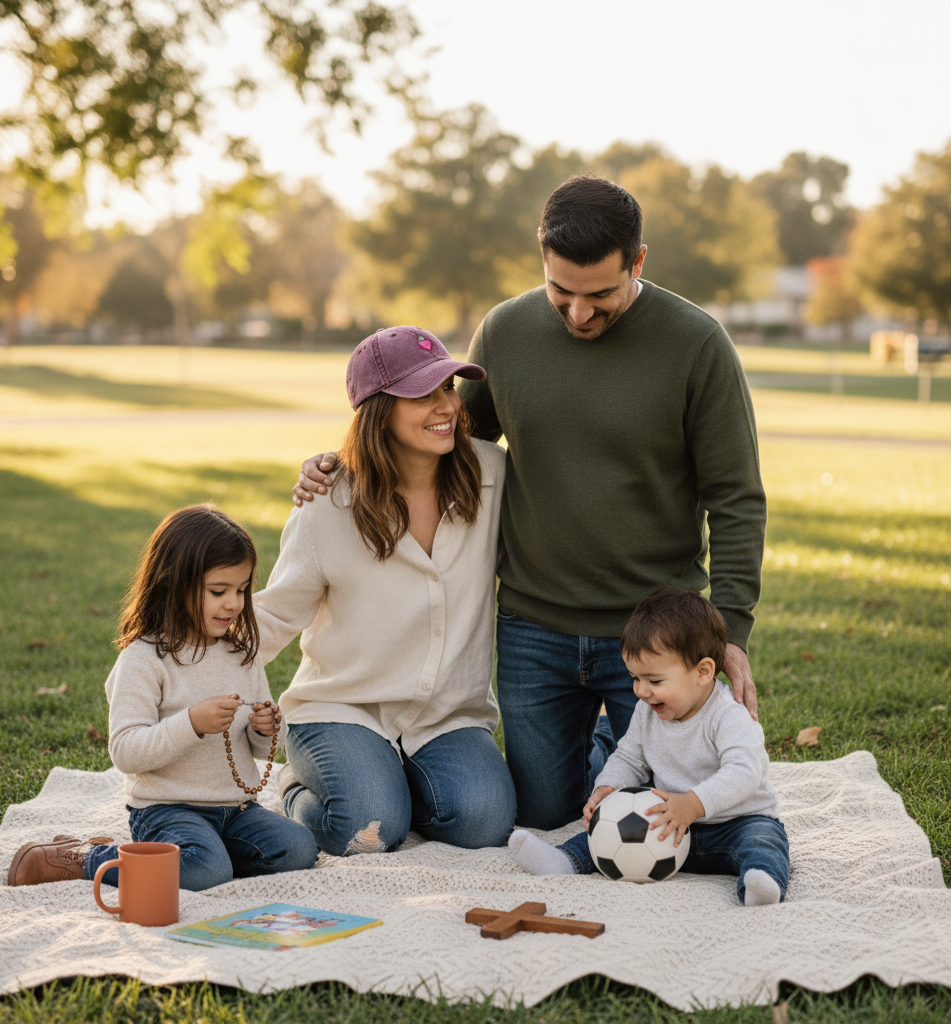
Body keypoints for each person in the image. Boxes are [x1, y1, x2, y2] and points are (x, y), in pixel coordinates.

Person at [294, 176, 767, 831]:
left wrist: (731, 630)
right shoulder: (507, 331)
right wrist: (342, 465)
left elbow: (736, 499)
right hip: (533, 631)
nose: (577, 313)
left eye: (599, 294)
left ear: (638, 261)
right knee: (545, 817)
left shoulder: (698, 345)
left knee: (670, 816)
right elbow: (446, 441)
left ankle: (616, 744)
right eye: (560, 291)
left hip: (656, 632)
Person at [253, 325, 516, 857]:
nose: (445, 406)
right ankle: (299, 793)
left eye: (448, 388)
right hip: (342, 708)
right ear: (377, 411)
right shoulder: (329, 503)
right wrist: (184, 666)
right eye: (422, 394)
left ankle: (392, 783)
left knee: (484, 822)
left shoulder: (493, 475)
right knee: (368, 829)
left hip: (448, 714)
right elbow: (276, 615)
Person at [7, 505, 319, 890]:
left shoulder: (241, 653)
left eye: (241, 590)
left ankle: (195, 856)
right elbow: (126, 751)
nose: (234, 604)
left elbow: (258, 748)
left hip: (236, 810)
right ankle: (87, 859)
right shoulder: (143, 659)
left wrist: (266, 727)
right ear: (174, 584)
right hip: (166, 810)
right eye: (218, 591)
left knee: (299, 848)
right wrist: (191, 724)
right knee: (206, 871)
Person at [509, 587, 789, 907]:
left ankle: (761, 881)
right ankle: (565, 861)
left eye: (654, 681)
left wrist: (693, 805)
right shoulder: (648, 710)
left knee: (763, 841)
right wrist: (607, 788)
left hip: (736, 823)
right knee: (612, 827)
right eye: (634, 678)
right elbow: (629, 756)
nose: (641, 691)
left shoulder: (728, 715)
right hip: (670, 826)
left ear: (703, 671)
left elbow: (745, 772)